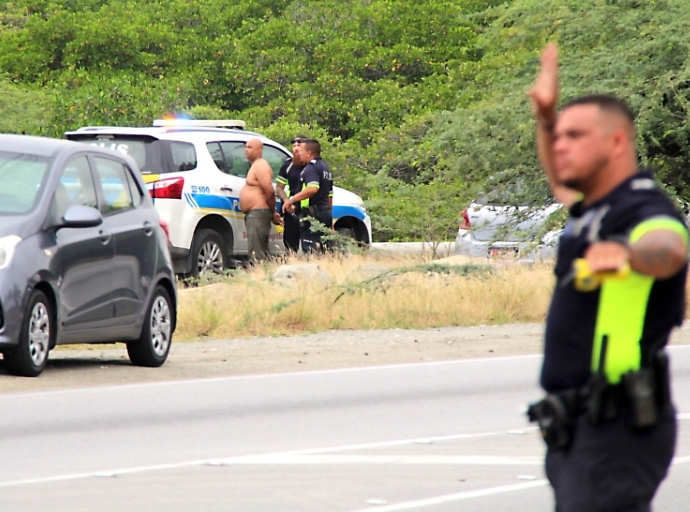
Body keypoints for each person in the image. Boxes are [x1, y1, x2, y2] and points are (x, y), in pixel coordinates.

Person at [527, 42, 688, 512]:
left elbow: (669, 246)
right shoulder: (595, 208)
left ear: (617, 141)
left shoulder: (643, 208)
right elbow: (558, 180)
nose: (560, 145)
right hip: (578, 425)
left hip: (618, 425)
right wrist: (545, 118)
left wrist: (627, 252)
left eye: (574, 136)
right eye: (558, 137)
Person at [281, 139, 333, 253]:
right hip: (325, 212)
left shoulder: (311, 168)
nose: (299, 153)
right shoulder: (325, 168)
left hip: (313, 214)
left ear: (309, 153)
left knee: (311, 249)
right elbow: (330, 195)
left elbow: (312, 188)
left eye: (302, 151)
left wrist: (292, 199)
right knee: (323, 249)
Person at [239, 138, 281, 262]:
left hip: (258, 213)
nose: (246, 150)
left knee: (257, 252)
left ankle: (259, 274)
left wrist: (272, 212)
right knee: (258, 249)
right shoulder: (255, 166)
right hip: (255, 213)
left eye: (250, 147)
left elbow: (269, 190)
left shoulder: (261, 165)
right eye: (246, 147)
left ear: (259, 151)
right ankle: (263, 274)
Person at [275, 135, 307, 253]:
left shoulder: (312, 165)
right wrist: (286, 201)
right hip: (291, 208)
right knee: (290, 243)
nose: (296, 148)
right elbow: (279, 187)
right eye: (294, 146)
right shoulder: (287, 165)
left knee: (309, 243)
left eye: (299, 145)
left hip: (309, 209)